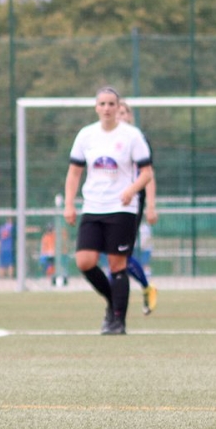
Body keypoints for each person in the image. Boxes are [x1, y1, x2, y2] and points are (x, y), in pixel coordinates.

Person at [64, 86, 153, 335]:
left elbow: (147, 173)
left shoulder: (132, 136)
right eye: (102, 104)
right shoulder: (86, 135)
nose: (107, 108)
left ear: (118, 107)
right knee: (85, 261)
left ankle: (117, 321)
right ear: (96, 107)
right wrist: (69, 203)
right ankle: (113, 303)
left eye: (111, 104)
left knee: (117, 265)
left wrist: (131, 190)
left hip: (122, 209)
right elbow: (74, 173)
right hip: (93, 207)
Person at [116, 101, 159, 315]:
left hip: (132, 202)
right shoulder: (104, 140)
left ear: (130, 116)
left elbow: (148, 175)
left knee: (119, 255)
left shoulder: (138, 140)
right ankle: (145, 288)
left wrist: (151, 205)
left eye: (124, 112)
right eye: (117, 113)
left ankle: (119, 304)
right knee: (115, 256)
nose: (120, 116)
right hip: (110, 201)